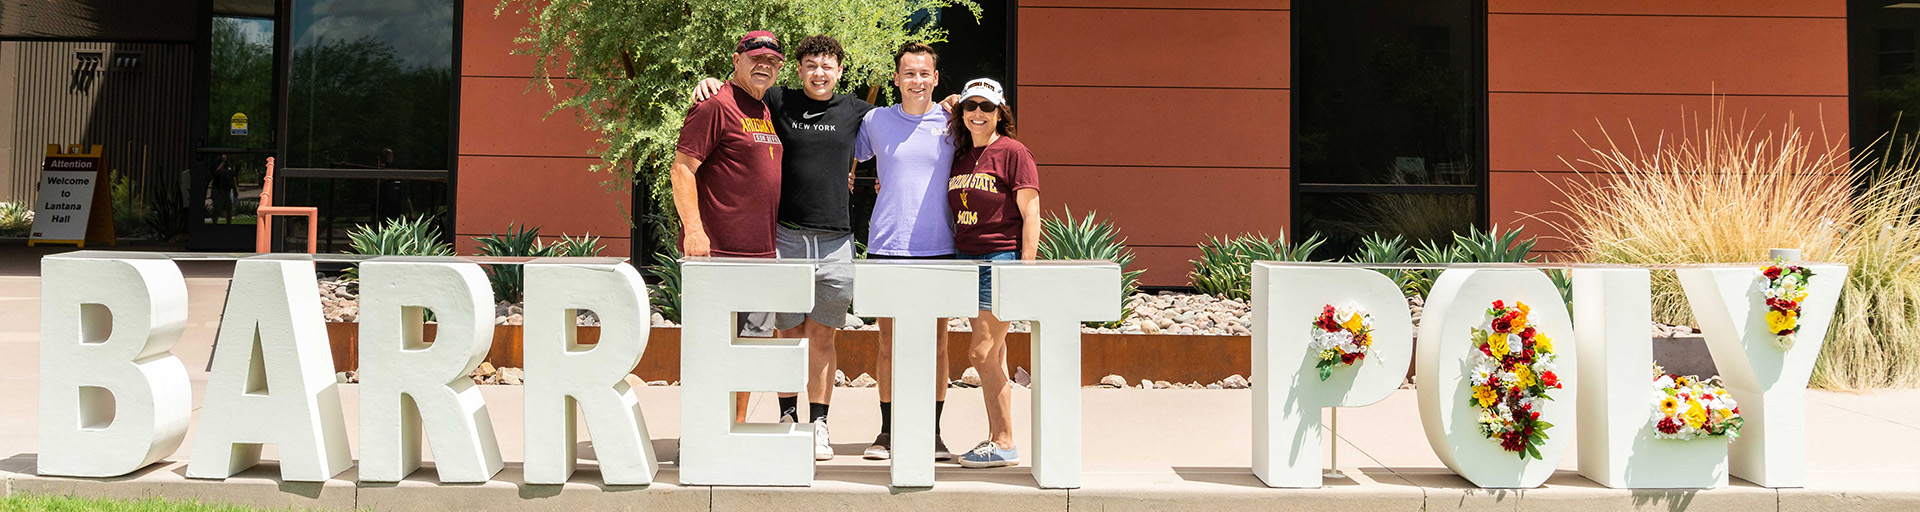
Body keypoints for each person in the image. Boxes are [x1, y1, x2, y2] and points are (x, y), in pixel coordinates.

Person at [692, 34, 874, 461]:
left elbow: (906, 115)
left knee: (823, 335)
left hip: (835, 241)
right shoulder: (776, 100)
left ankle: (820, 424)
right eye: (811, 65)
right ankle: (789, 416)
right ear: (798, 70)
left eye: (828, 65)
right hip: (786, 236)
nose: (819, 73)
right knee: (788, 332)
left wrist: (949, 103)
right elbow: (738, 94)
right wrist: (709, 82)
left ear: (840, 71)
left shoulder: (855, 111)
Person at [669, 29, 786, 430]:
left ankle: (733, 433)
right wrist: (695, 232)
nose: (764, 64)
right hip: (717, 255)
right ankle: (700, 435)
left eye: (772, 60)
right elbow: (682, 168)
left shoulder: (764, 109)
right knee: (711, 351)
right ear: (736, 61)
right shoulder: (715, 106)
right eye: (756, 57)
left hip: (760, 256)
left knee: (749, 351)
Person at [852, 41, 959, 461]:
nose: (917, 80)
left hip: (940, 247)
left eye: (924, 73)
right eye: (908, 73)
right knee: (889, 344)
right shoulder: (875, 120)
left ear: (935, 78)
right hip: (887, 245)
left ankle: (932, 434)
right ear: (896, 78)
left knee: (937, 345)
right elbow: (847, 155)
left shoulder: (954, 120)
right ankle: (888, 432)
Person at [944, 78, 1037, 469]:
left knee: (980, 352)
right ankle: (1002, 442)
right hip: (966, 259)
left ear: (1001, 112)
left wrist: (1025, 270)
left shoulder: (1013, 152)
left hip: (999, 261)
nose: (977, 113)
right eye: (970, 106)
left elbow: (1031, 211)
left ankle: (1004, 439)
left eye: (986, 106)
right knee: (993, 356)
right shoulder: (961, 154)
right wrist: (947, 104)